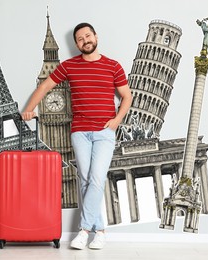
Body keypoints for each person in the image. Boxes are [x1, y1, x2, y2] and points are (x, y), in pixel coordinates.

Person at [21, 22, 132, 249]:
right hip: (79, 132)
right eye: (80, 39)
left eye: (88, 36)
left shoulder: (113, 66)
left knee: (97, 179)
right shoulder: (69, 66)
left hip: (104, 132)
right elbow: (44, 88)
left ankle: (83, 230)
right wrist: (29, 109)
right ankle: (99, 231)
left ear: (96, 37)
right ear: (76, 44)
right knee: (84, 180)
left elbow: (126, 97)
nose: (85, 41)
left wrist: (117, 121)